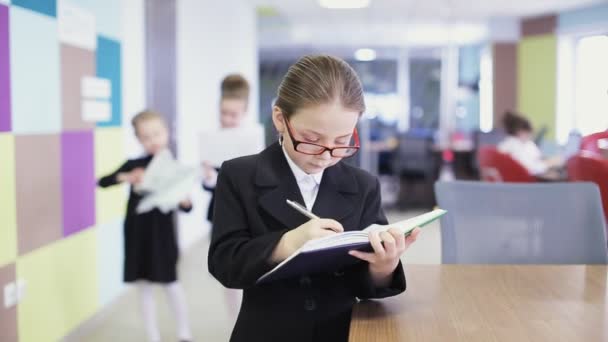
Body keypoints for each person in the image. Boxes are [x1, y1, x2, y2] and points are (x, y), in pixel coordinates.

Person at [208, 55, 421, 342]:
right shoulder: (239, 175)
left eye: (342, 141)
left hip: (344, 331)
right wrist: (290, 243)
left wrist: (383, 267)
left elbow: (367, 286)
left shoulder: (363, 185)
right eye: (312, 139)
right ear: (280, 119)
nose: (326, 155)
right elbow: (225, 265)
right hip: (266, 331)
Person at [98, 110, 193, 342]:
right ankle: (152, 336)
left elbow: (187, 207)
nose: (153, 140)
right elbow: (103, 181)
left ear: (166, 133)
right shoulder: (133, 165)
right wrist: (127, 177)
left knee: (171, 283)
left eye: (157, 134)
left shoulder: (173, 167)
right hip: (137, 232)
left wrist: (183, 199)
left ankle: (184, 332)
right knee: (144, 286)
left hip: (162, 234)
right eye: (146, 137)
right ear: (138, 139)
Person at [202, 74, 251, 222]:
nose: (226, 119)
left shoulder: (251, 141)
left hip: (246, 212)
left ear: (244, 113)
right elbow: (208, 186)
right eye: (223, 113)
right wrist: (209, 177)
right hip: (219, 212)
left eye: (233, 115)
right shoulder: (211, 141)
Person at [498, 111, 562, 175]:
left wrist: (547, 161)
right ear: (521, 131)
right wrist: (549, 163)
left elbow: (537, 158)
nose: (530, 137)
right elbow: (529, 169)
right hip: (524, 180)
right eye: (529, 134)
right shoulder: (513, 146)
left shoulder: (524, 144)